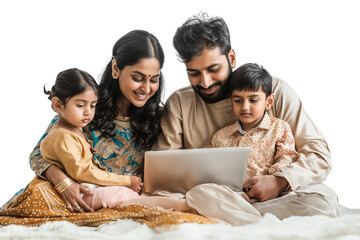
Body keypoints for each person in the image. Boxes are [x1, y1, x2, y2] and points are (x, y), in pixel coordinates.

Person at [0, 30, 214, 226]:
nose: (146, 88)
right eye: (137, 78)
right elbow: (38, 155)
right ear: (115, 68)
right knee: (39, 192)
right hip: (78, 193)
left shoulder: (157, 116)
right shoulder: (86, 106)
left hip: (126, 199)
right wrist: (63, 183)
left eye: (154, 80)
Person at [148, 13, 338, 224]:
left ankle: (237, 222)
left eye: (213, 69)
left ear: (231, 58)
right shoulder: (179, 103)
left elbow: (319, 155)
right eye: (193, 72)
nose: (205, 82)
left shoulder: (274, 91)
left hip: (276, 198)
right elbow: (162, 176)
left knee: (322, 200)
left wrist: (279, 182)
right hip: (219, 198)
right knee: (200, 196)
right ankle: (255, 224)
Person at [40, 68, 140, 211]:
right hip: (75, 192)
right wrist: (126, 181)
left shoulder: (73, 130)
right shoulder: (63, 137)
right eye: (80, 105)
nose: (88, 112)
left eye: (93, 105)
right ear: (58, 105)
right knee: (124, 195)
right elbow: (83, 172)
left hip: (85, 185)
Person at [211, 63, 297, 197]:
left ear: (269, 102)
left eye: (253, 100)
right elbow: (212, 169)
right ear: (231, 101)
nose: (245, 107)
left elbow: (288, 157)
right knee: (199, 194)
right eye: (238, 101)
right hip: (231, 196)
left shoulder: (279, 128)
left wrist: (272, 179)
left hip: (269, 194)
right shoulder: (221, 136)